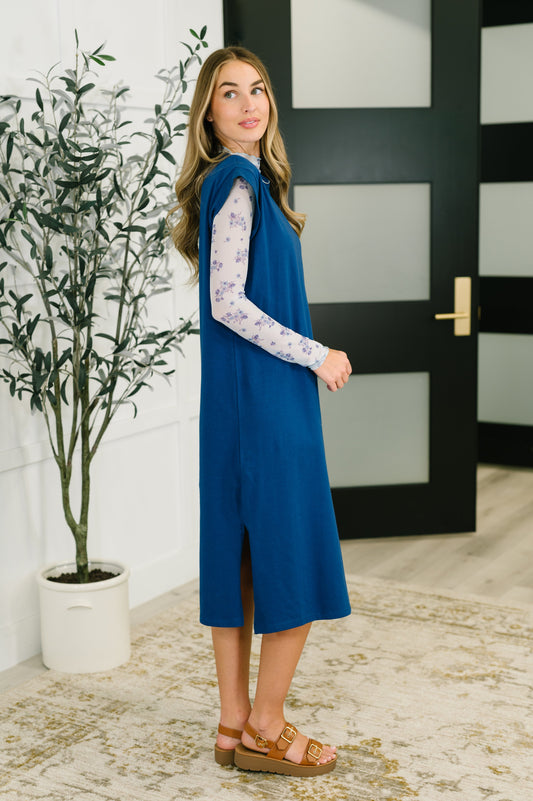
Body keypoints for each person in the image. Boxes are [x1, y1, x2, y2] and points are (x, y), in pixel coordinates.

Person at [170, 46, 352, 777]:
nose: (248, 103)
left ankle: (232, 723)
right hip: (268, 404)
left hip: (236, 404)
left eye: (257, 89)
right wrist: (317, 353)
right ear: (208, 115)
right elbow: (228, 303)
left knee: (241, 559)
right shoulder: (239, 181)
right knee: (295, 558)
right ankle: (266, 726)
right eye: (228, 93)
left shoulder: (237, 182)